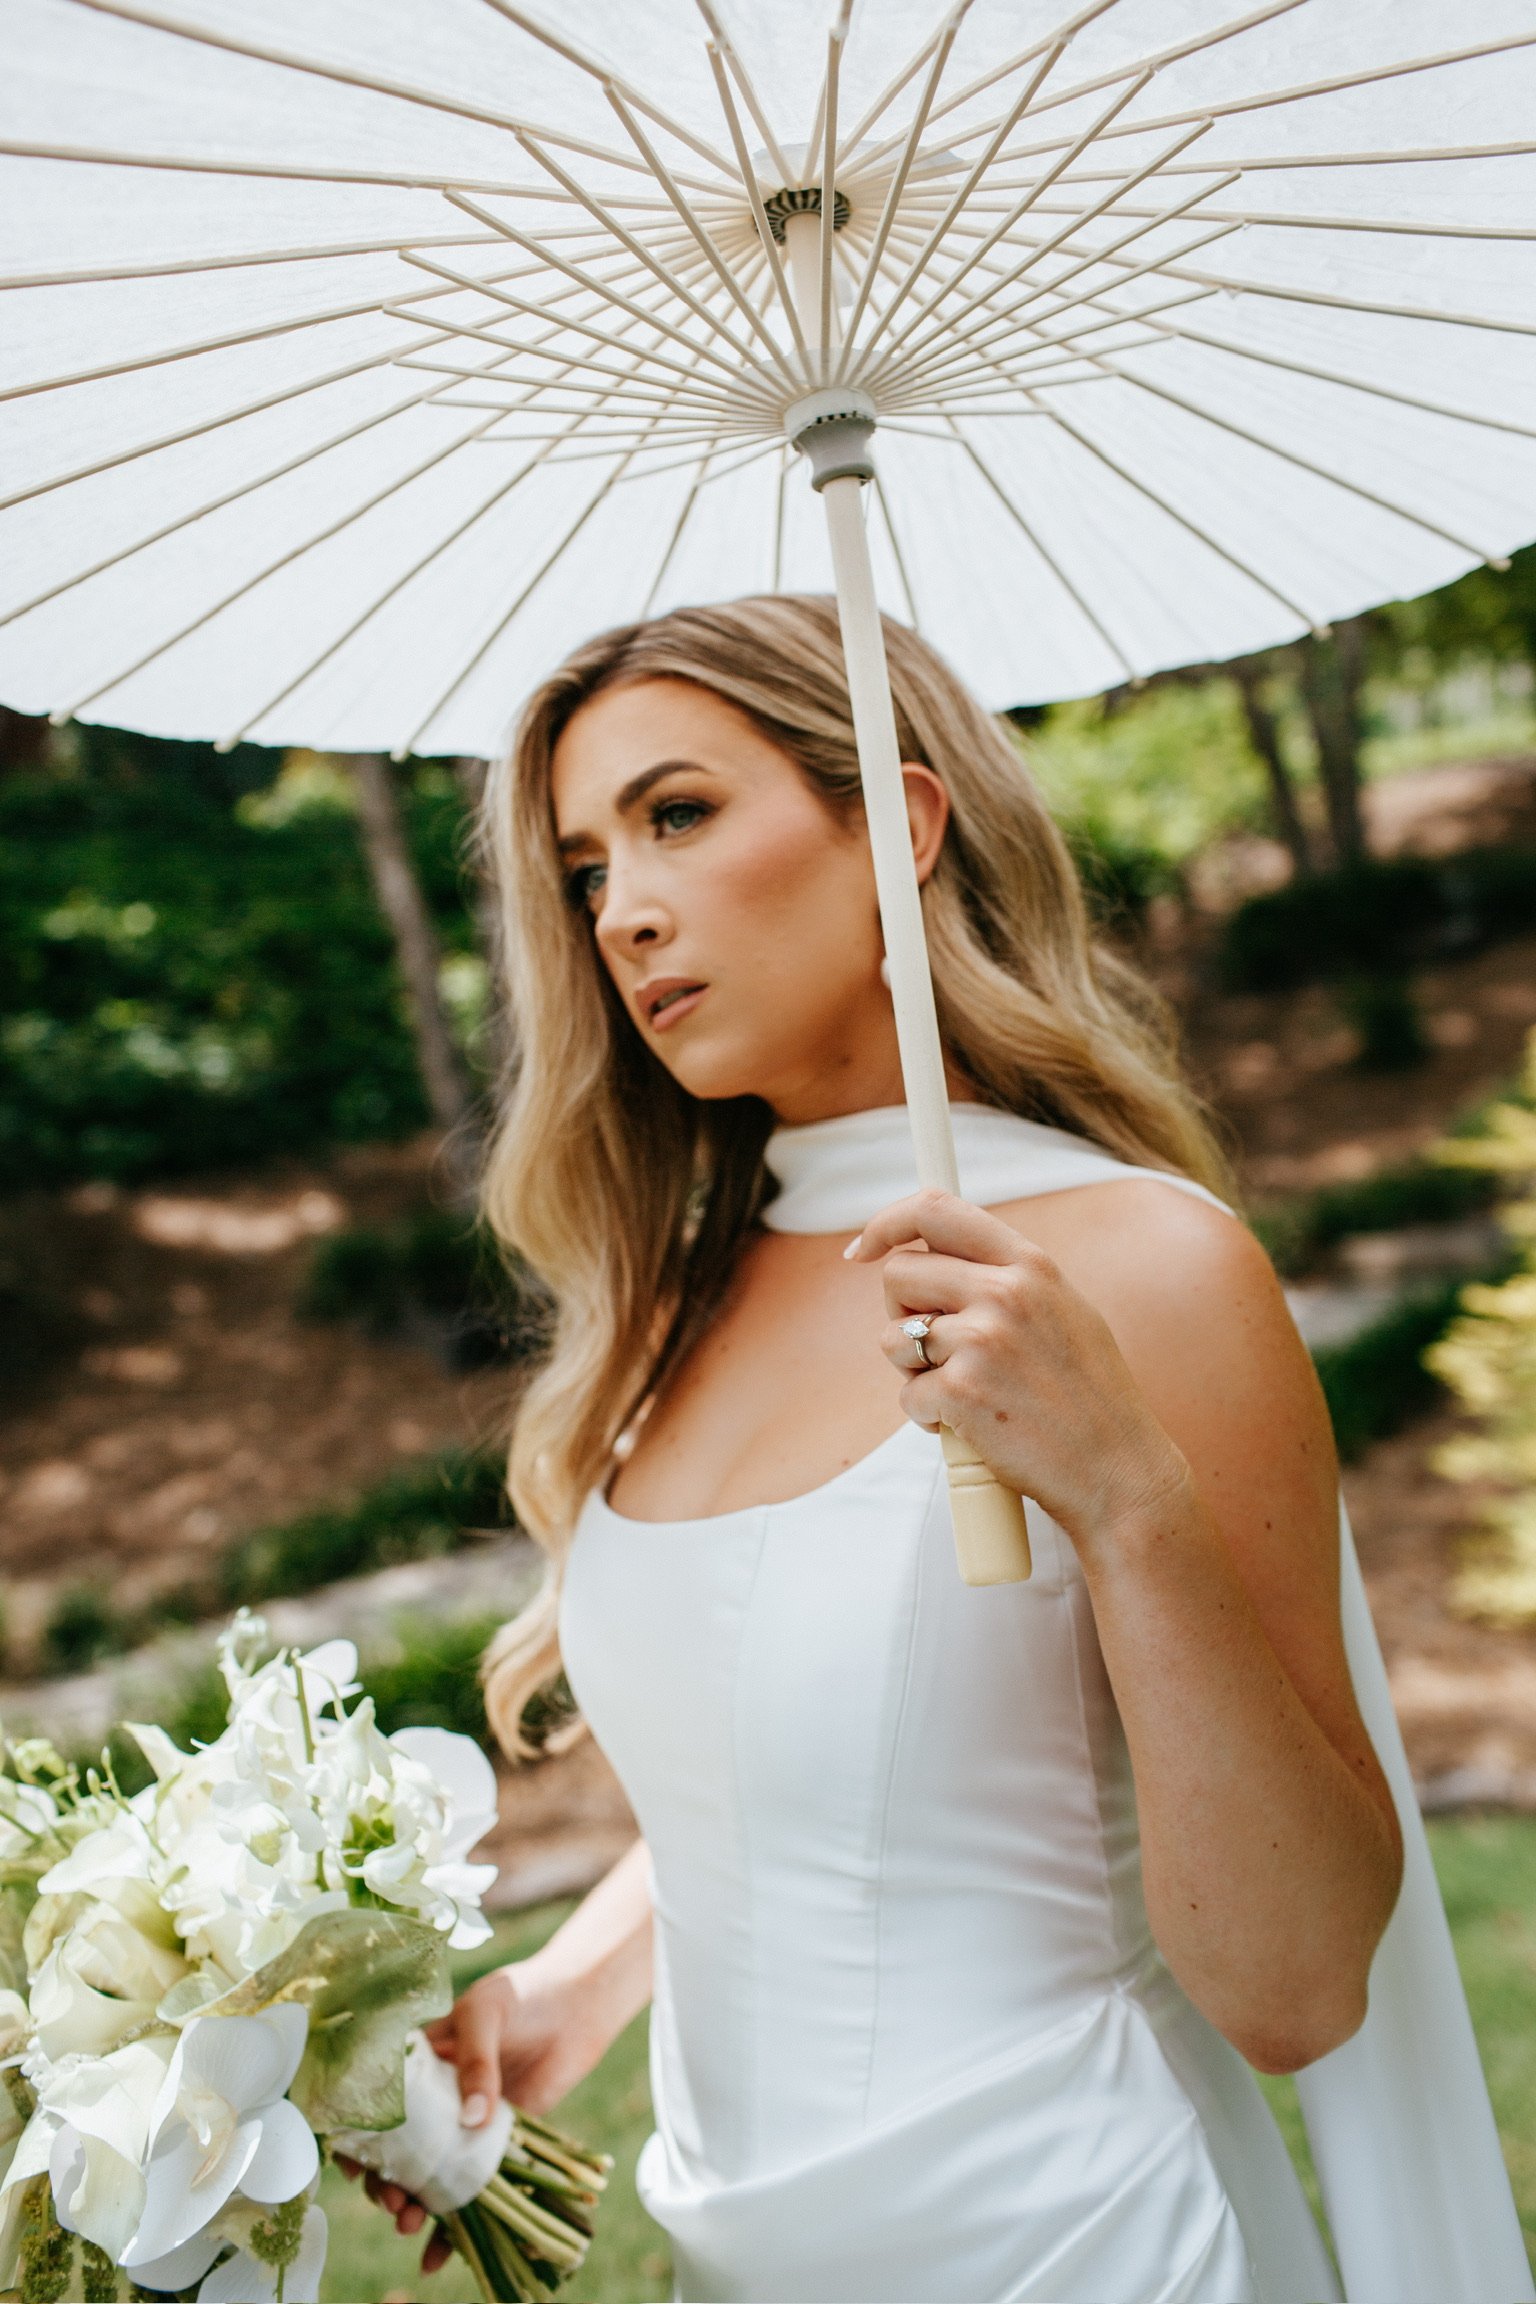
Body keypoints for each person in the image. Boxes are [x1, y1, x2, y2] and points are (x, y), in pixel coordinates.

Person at [342, 595, 1403, 2303]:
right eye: (584, 866)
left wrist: (1129, 1500)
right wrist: (565, 1996)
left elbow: (1297, 1987)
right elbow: (815, 1785)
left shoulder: (1143, 1268)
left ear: (899, 822)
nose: (624, 911)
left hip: (1082, 2244)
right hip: (746, 2258)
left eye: (677, 814)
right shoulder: (676, 1302)